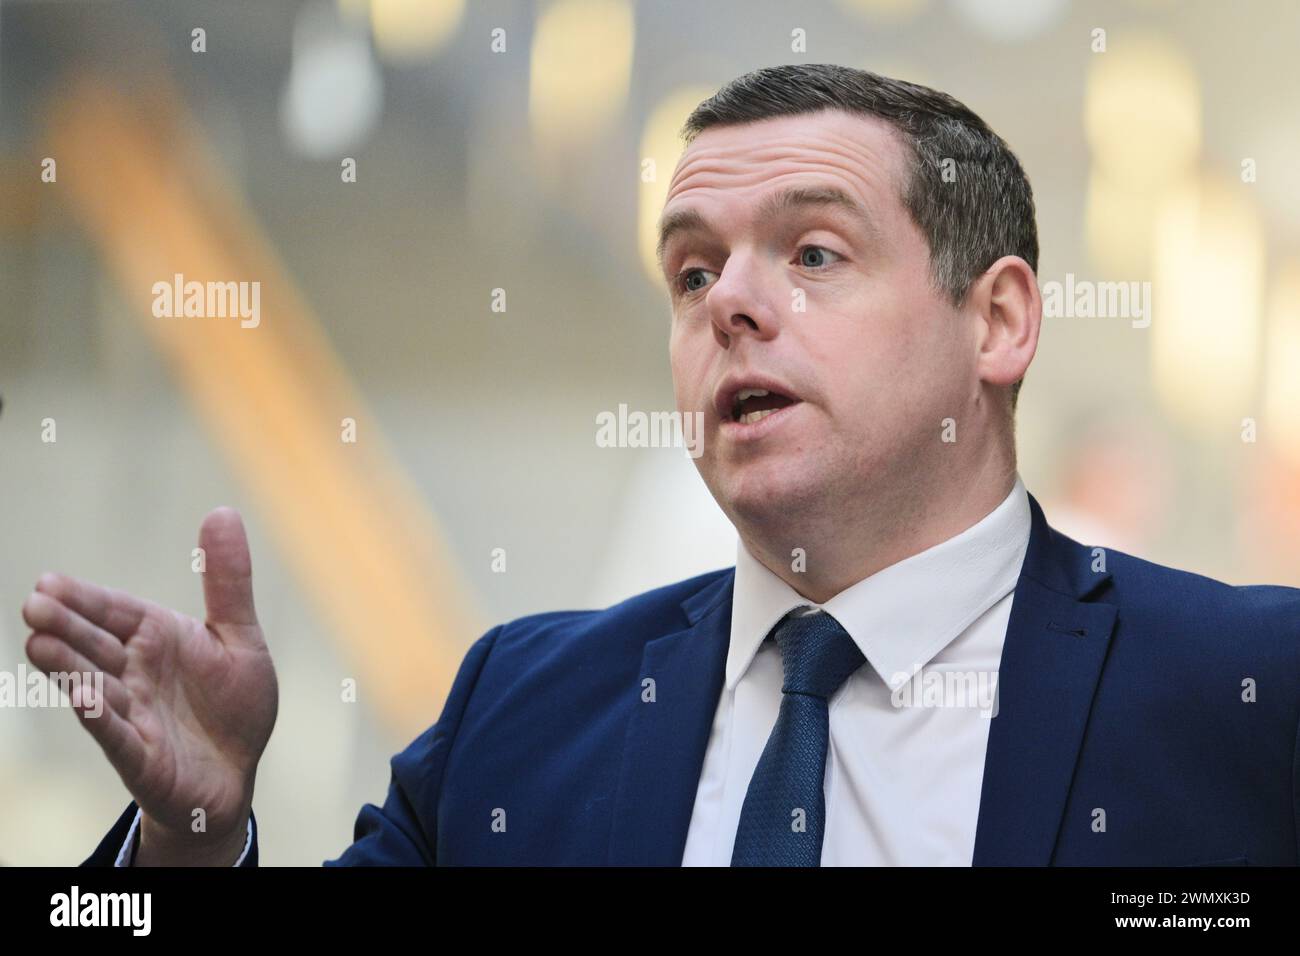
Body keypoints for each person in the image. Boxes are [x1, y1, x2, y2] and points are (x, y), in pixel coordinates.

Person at [24, 64, 1299, 867]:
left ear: (998, 319)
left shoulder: (1249, 695)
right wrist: (189, 850)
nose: (730, 304)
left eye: (811, 254)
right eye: (692, 271)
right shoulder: (517, 716)